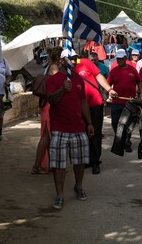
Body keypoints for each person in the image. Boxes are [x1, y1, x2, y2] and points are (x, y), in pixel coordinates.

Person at [46, 49, 94, 210]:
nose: (74, 62)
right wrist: (62, 89)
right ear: (61, 61)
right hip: (59, 128)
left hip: (78, 127)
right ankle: (59, 194)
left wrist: (89, 123)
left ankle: (78, 186)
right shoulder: (53, 80)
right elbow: (50, 100)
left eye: (76, 60)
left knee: (79, 162)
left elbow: (83, 102)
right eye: (71, 59)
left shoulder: (79, 80)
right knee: (59, 165)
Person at [74, 52, 113, 175]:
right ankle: (88, 159)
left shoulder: (85, 62)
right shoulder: (67, 70)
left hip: (95, 103)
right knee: (84, 133)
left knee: (95, 132)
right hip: (80, 105)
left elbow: (99, 76)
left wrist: (109, 89)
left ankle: (95, 161)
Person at [32, 46, 61, 174]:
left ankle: (47, 164)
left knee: (48, 136)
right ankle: (37, 165)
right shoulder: (54, 68)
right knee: (46, 136)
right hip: (50, 105)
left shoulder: (50, 67)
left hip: (47, 105)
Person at [107, 48, 142, 153]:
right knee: (115, 123)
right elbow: (108, 84)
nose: (119, 61)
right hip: (116, 102)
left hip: (129, 102)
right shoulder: (114, 71)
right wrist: (108, 92)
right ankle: (121, 139)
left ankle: (127, 142)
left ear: (126, 58)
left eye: (121, 59)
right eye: (118, 59)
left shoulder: (132, 70)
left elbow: (140, 82)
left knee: (128, 124)